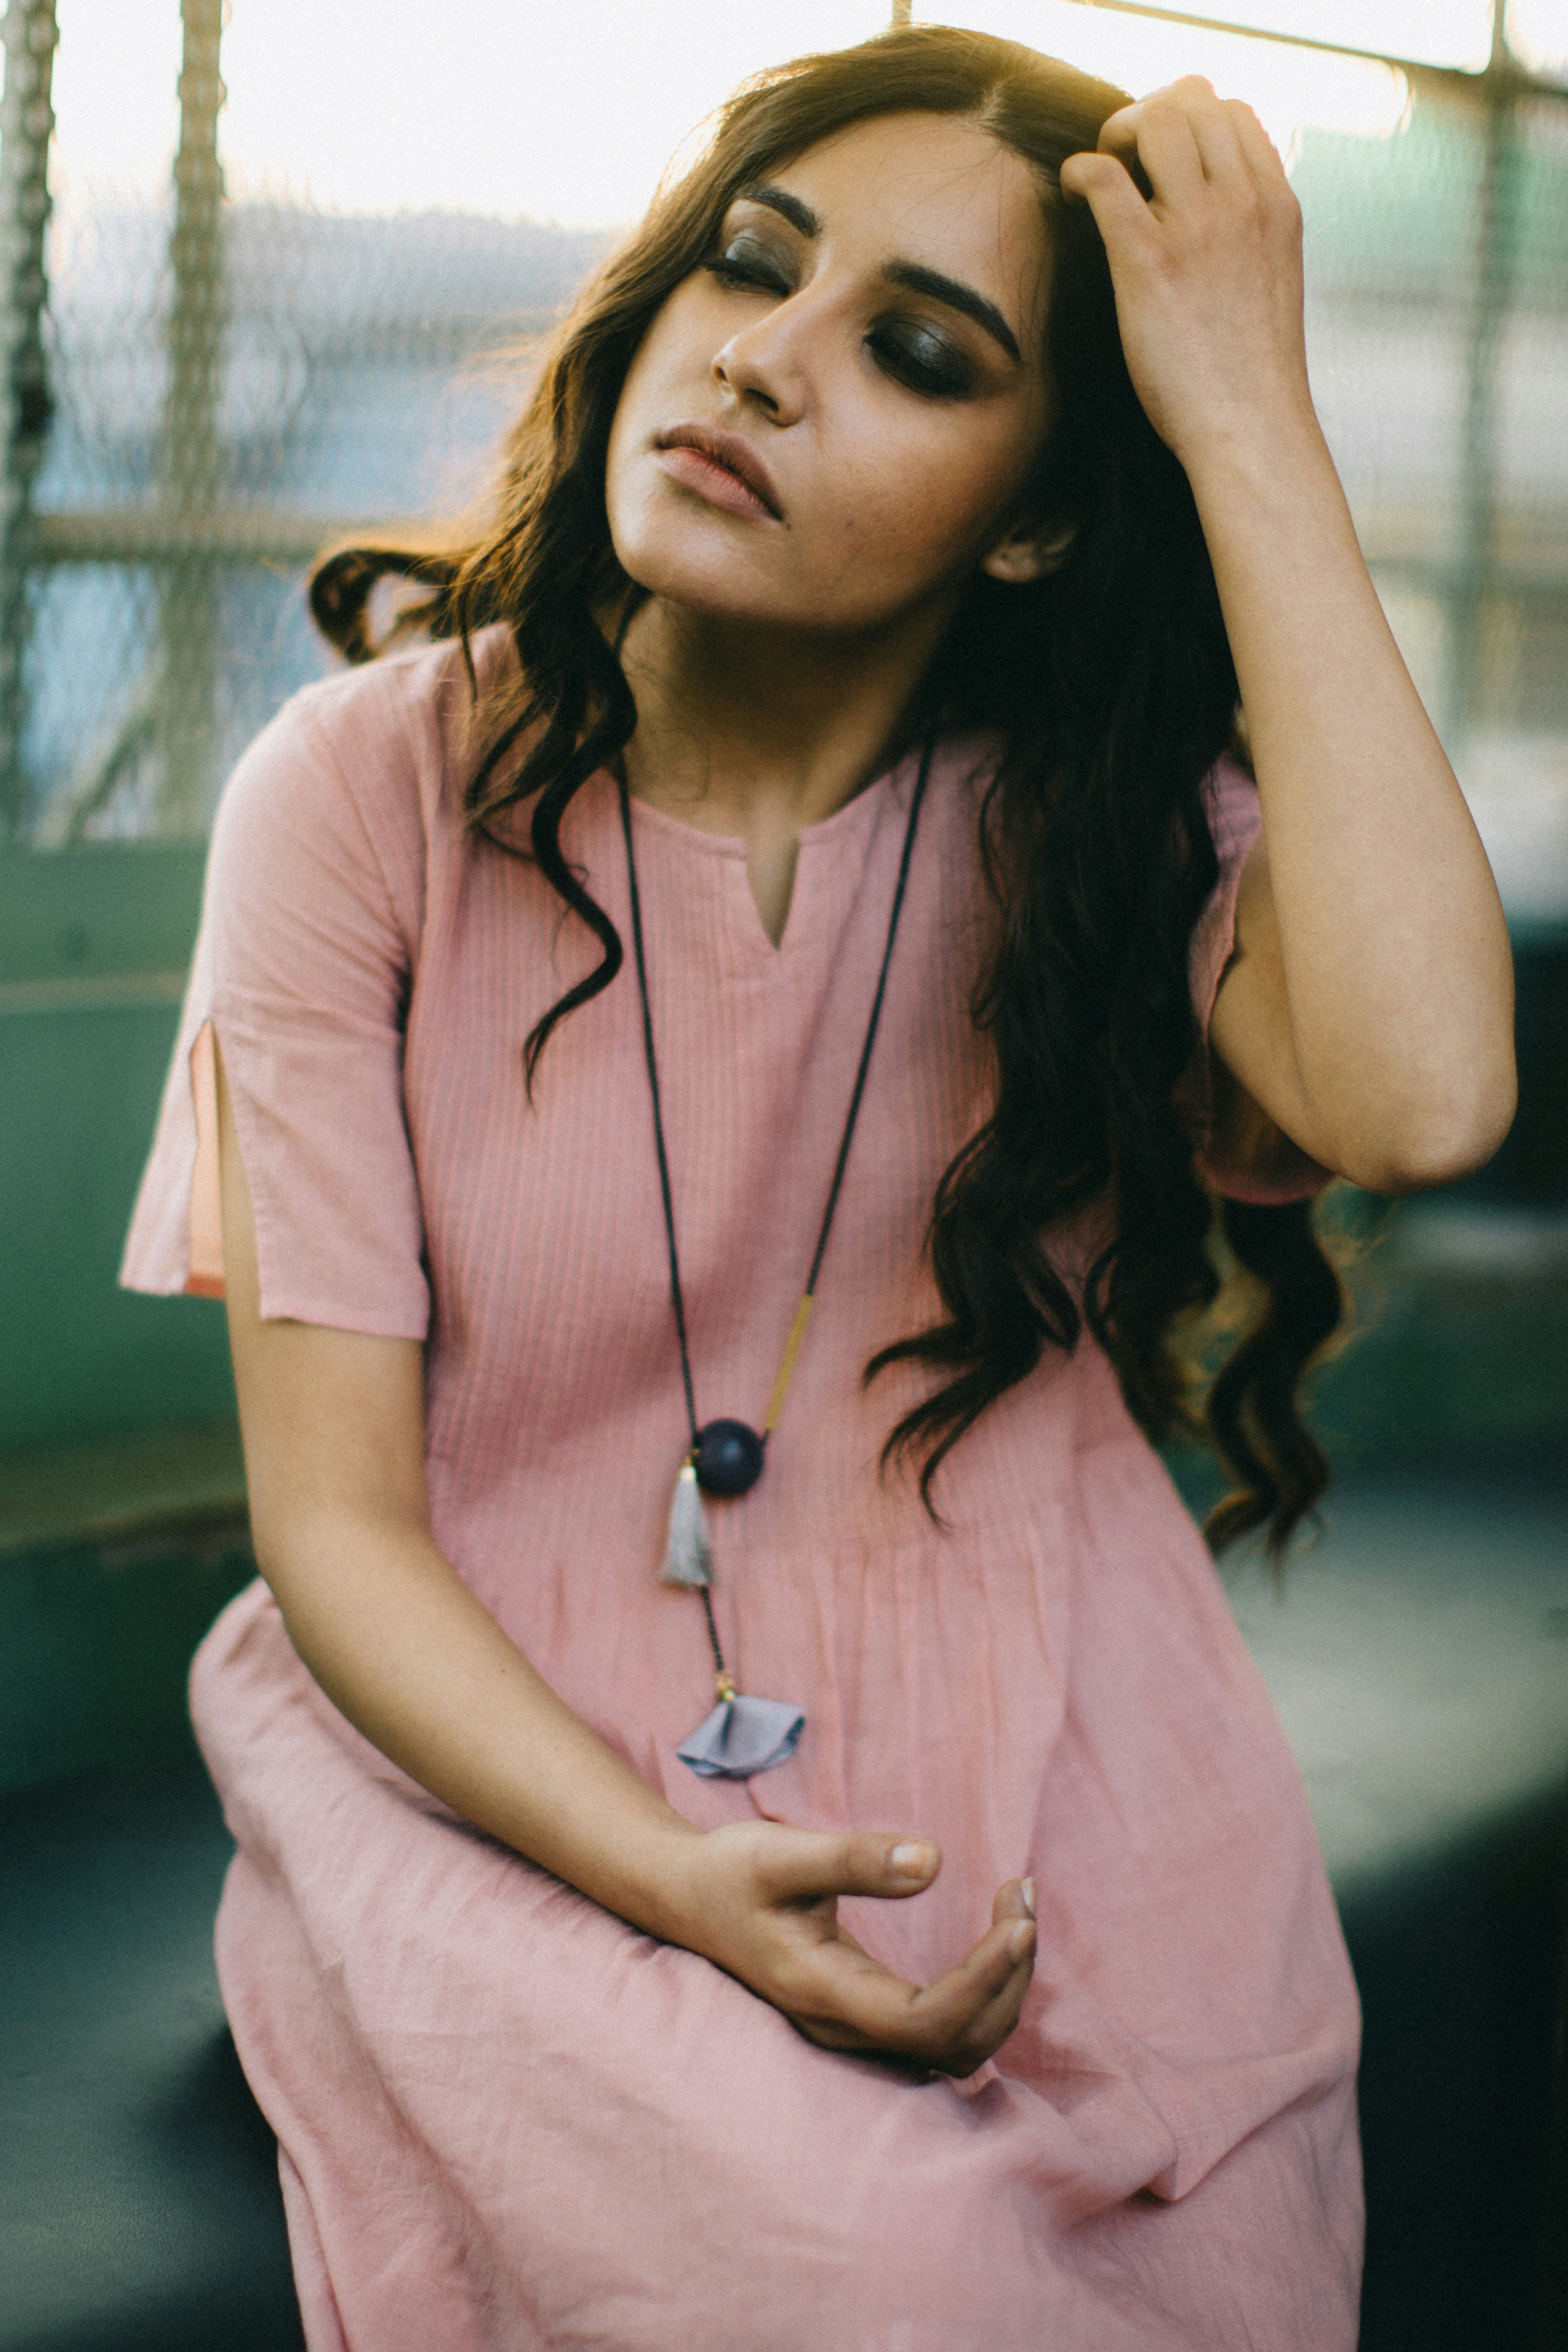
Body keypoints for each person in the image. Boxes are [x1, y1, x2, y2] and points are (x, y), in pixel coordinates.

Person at [124, 24, 1515, 2350]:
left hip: (1073, 1722)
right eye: (744, 270)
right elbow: (335, 1519)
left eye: (913, 351)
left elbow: (1429, 1094)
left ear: (1042, 500)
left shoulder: (1104, 827)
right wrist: (664, 1865)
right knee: (893, 2269)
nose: (760, 363)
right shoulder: (364, 794)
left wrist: (1248, 423)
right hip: (495, 1738)